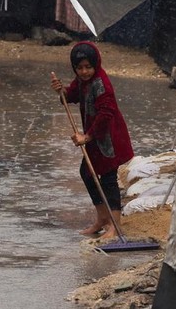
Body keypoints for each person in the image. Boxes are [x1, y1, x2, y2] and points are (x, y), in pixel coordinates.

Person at [51, 41, 134, 239]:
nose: (84, 71)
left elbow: (107, 113)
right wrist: (60, 91)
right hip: (95, 136)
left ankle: (115, 225)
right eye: (79, 68)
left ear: (96, 65)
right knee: (87, 172)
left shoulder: (101, 83)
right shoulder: (82, 81)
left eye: (88, 67)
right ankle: (103, 219)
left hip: (108, 138)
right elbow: (70, 96)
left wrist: (87, 136)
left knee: (107, 178)